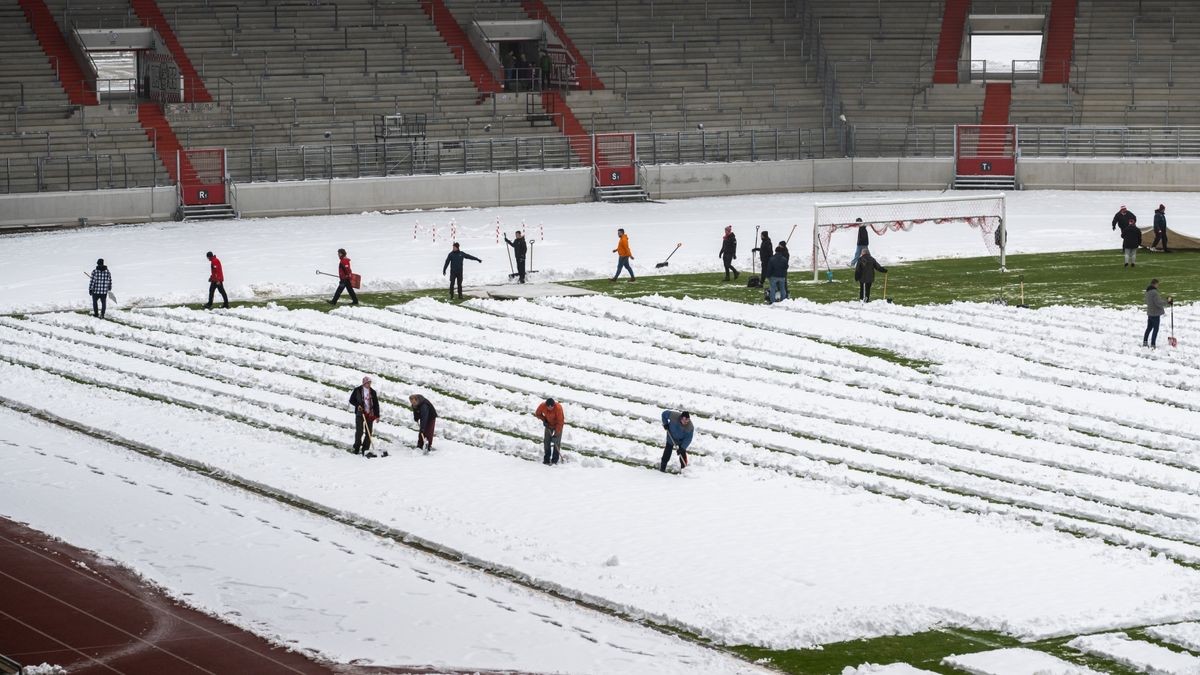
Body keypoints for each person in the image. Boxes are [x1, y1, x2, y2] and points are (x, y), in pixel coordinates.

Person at [349, 376, 381, 457]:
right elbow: (351, 400)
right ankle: (356, 448)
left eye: (370, 382)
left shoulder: (373, 392)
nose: (368, 384)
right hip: (360, 414)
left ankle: (365, 449)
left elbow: (376, 404)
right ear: (363, 383)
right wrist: (358, 405)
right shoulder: (357, 390)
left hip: (370, 414)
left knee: (369, 432)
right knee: (359, 432)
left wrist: (377, 416)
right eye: (367, 383)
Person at [534, 397, 564, 465]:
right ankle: (547, 458)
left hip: (557, 425)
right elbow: (537, 413)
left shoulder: (558, 408)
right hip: (549, 425)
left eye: (552, 407)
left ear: (554, 405)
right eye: (548, 407)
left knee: (556, 442)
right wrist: (544, 420)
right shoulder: (542, 406)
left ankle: (554, 460)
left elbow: (560, 422)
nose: (550, 408)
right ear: (546, 405)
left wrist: (556, 435)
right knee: (546, 442)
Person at [1144, 278, 1172, 348]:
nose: (1158, 286)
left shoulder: (1147, 291)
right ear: (1155, 284)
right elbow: (1158, 303)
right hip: (1155, 313)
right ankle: (1153, 344)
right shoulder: (1154, 292)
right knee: (1155, 329)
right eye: (1158, 284)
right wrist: (1167, 302)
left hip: (1150, 312)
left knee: (1149, 328)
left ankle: (1145, 341)